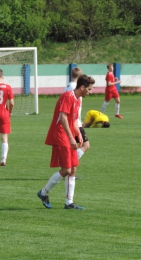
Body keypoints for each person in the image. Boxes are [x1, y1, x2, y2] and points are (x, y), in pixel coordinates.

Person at [37, 74, 95, 210]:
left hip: (68, 132)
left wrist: (78, 135)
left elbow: (74, 120)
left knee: (73, 168)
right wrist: (70, 137)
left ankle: (69, 202)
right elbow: (63, 118)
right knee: (67, 169)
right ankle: (43, 192)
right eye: (90, 89)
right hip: (60, 133)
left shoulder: (78, 99)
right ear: (82, 87)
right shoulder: (68, 96)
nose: (90, 92)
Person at [64, 67, 89, 167]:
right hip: (74, 122)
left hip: (73, 121)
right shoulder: (75, 87)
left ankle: (70, 168)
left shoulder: (68, 86)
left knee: (76, 146)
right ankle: (69, 165)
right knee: (85, 145)